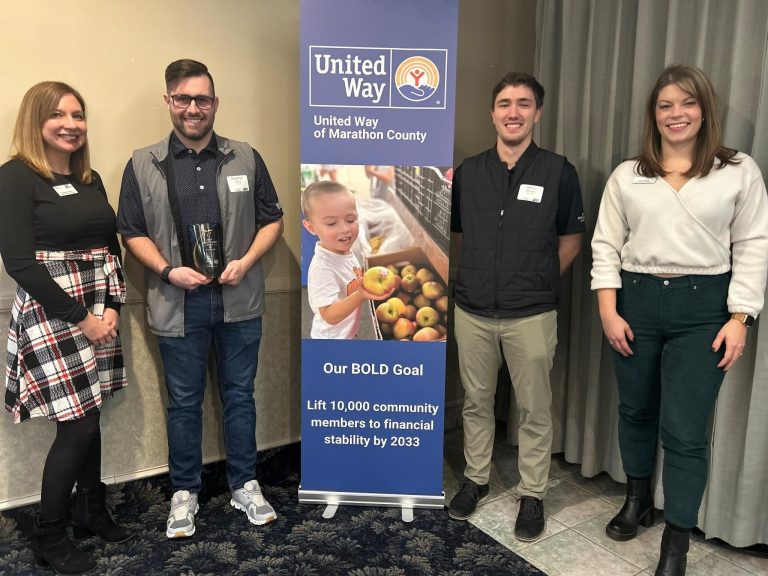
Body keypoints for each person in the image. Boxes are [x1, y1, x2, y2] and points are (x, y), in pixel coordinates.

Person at [591, 64, 768, 576]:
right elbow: (605, 245)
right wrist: (608, 310)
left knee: (687, 430)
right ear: (654, 114)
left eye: (686, 103)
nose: (676, 114)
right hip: (636, 300)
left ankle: (677, 538)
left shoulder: (738, 171)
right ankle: (637, 499)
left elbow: (753, 246)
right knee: (635, 411)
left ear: (704, 109)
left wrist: (741, 317)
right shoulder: (630, 174)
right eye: (665, 105)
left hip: (704, 308)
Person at [117, 59, 284, 538]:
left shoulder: (245, 157)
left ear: (215, 104)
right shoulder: (143, 163)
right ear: (169, 101)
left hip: (238, 300)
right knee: (184, 403)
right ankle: (184, 492)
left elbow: (272, 218)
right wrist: (169, 270)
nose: (194, 108)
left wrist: (247, 261)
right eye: (184, 99)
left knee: (239, 397)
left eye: (203, 99)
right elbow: (131, 231)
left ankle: (244, 485)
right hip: (177, 301)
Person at [0, 82, 131, 575]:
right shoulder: (14, 177)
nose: (71, 124)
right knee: (78, 424)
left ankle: (91, 509)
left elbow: (108, 249)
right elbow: (19, 263)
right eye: (58, 115)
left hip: (101, 309)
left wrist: (113, 305)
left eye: (78, 114)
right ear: (36, 122)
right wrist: (82, 317)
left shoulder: (89, 178)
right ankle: (48, 535)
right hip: (55, 312)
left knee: (91, 411)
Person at [448, 72, 585, 542]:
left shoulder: (558, 171)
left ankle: (533, 493)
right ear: (492, 112)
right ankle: (475, 480)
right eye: (504, 103)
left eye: (523, 104)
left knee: (533, 406)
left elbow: (570, 239)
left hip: (531, 312)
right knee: (476, 401)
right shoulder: (468, 172)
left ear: (537, 112)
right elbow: (461, 236)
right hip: (473, 311)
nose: (513, 112)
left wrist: (538, 279)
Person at [302, 180, 390, 339]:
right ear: (311, 227)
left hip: (346, 332)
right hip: (331, 341)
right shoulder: (323, 268)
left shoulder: (342, 250)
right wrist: (361, 295)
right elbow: (329, 315)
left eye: (350, 220)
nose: (344, 229)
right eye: (331, 223)